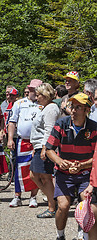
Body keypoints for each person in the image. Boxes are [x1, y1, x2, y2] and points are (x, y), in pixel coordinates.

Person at [46, 93, 97, 240]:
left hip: (86, 173)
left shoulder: (94, 128)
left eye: (78, 107)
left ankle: (82, 234)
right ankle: (60, 236)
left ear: (87, 110)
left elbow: (96, 157)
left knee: (86, 204)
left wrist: (82, 166)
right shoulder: (61, 124)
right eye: (72, 107)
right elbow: (49, 149)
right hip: (63, 172)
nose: (73, 111)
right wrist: (60, 161)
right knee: (63, 206)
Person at [8, 79, 43, 207]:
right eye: (32, 89)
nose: (33, 92)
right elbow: (12, 122)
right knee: (19, 168)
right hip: (22, 140)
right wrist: (10, 139)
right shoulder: (19, 103)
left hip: (37, 141)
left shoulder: (43, 104)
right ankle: (17, 196)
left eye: (36, 89)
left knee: (35, 169)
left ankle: (33, 196)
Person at [29, 83, 60, 218]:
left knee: (45, 177)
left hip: (45, 147)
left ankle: (52, 207)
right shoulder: (46, 108)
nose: (36, 97)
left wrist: (44, 148)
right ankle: (53, 200)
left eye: (39, 95)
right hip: (39, 146)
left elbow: (50, 129)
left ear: (46, 95)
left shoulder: (51, 109)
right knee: (34, 175)